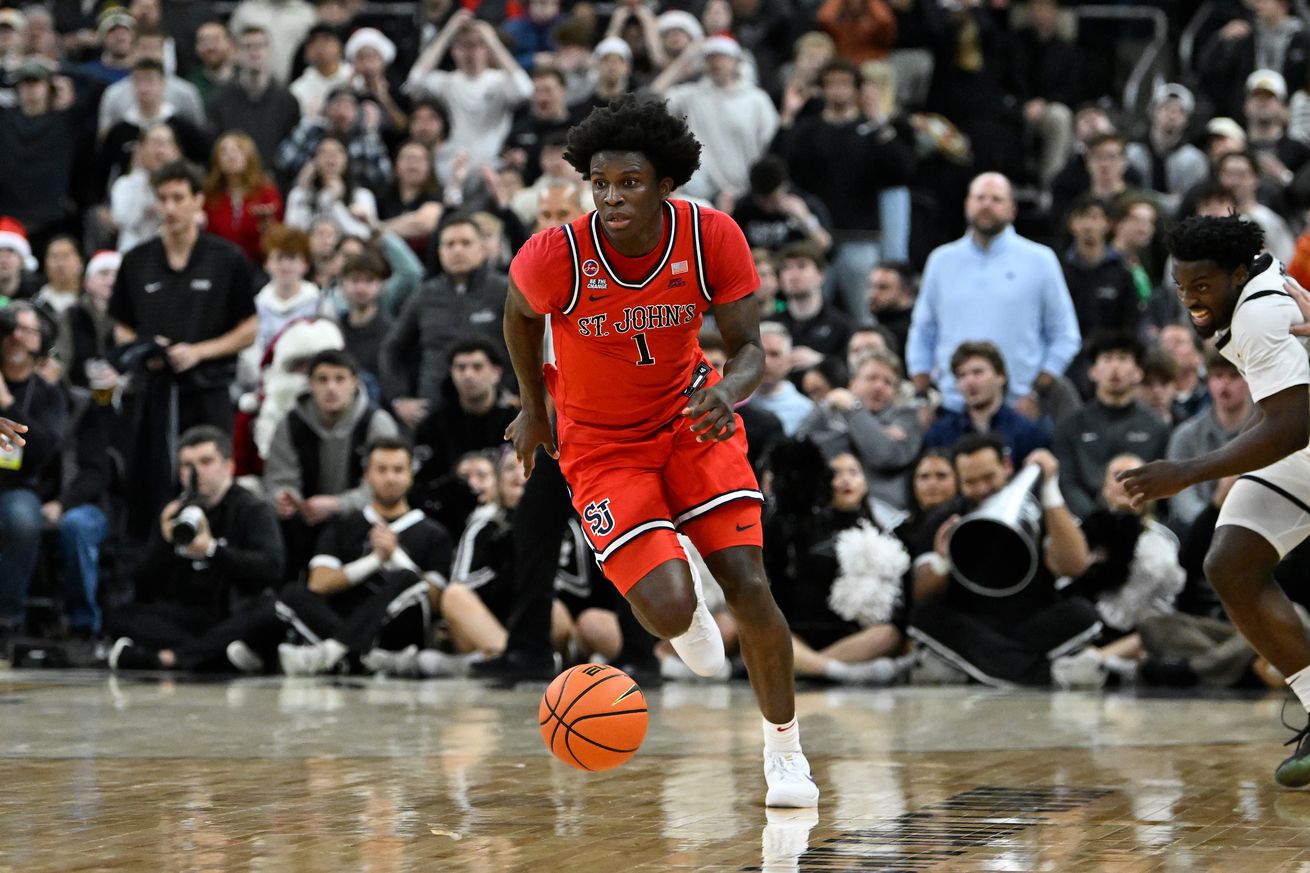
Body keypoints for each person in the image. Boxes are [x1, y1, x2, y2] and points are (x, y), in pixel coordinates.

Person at [502, 96, 819, 807]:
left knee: (751, 581)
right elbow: (518, 316)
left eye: (629, 183)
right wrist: (532, 405)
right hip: (600, 446)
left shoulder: (710, 236)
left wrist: (728, 393)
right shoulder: (558, 252)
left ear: (666, 181)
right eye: (600, 182)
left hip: (689, 420)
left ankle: (786, 753)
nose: (612, 197)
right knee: (671, 609)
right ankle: (687, 614)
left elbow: (748, 350)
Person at [1118, 214, 1310, 786]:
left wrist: (1188, 470)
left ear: (1232, 274)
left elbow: (1294, 424)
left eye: (1202, 287)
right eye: (1180, 287)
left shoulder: (1256, 315)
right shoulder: (1257, 277)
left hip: (1302, 442)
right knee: (1231, 564)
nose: (1190, 301)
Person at [109, 160, 257, 536]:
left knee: (208, 482)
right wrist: (145, 346)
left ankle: (213, 556)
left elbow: (250, 329)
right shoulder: (137, 260)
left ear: (198, 202)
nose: (170, 207)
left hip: (208, 389)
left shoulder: (227, 259)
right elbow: (121, 328)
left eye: (179, 198)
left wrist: (200, 351)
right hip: (153, 392)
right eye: (163, 199)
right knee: (151, 482)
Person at [106, 426, 285, 671]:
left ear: (228, 466)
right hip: (191, 615)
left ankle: (170, 658)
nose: (196, 472)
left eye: (206, 461)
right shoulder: (174, 512)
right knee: (119, 614)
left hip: (234, 611)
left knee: (269, 612)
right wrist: (164, 540)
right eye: (186, 465)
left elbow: (271, 568)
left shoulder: (252, 509)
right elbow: (144, 583)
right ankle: (217, 657)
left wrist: (212, 551)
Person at [906, 172, 1081, 417]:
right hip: (953, 406)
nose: (986, 204)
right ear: (967, 205)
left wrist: (1036, 392)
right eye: (980, 198)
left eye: (996, 199)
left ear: (1012, 209)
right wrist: (922, 394)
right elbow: (922, 332)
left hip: (1019, 407)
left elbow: (1065, 335)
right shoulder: (941, 260)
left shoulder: (1040, 260)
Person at [272, 437, 452, 676]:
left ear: (410, 475)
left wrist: (395, 556)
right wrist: (374, 560)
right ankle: (356, 655)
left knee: (407, 577)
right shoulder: (344, 524)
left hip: (397, 630)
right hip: (344, 619)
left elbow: (434, 599)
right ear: (367, 475)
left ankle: (334, 651)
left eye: (398, 470)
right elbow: (319, 582)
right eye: (382, 469)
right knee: (293, 593)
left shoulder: (433, 532)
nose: (390, 478)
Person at [1052, 331, 1170, 520]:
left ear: (1138, 372)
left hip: (1141, 520)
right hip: (1086, 522)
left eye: (1123, 359)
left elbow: (1163, 487)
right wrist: (1096, 519)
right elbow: (1067, 482)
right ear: (1092, 371)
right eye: (1107, 359)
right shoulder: (1071, 426)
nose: (1115, 367)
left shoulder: (1157, 427)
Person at [922, 340, 1050, 464]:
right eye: (961, 375)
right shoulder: (940, 434)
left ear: (1001, 376)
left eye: (978, 372)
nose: (969, 381)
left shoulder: (1027, 432)